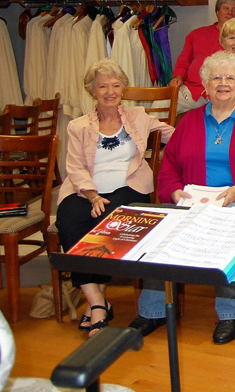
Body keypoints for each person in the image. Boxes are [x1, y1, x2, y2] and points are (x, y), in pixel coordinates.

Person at [128, 51, 235, 345]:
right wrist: (174, 191)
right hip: (193, 201)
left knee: (229, 225)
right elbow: (169, 164)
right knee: (162, 230)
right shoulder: (188, 121)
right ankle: (153, 310)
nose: (223, 83)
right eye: (216, 78)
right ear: (205, 86)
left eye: (230, 78)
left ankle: (231, 313)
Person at [56, 59, 175, 336]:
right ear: (92, 91)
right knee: (69, 221)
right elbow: (73, 167)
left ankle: (98, 304)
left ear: (123, 88)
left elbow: (174, 135)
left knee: (115, 221)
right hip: (84, 189)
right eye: (102, 86)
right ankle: (96, 300)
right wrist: (92, 193)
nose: (110, 91)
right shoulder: (78, 126)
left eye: (115, 85)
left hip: (129, 186)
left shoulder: (138, 116)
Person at [170, 0, 235, 113]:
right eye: (226, 8)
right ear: (217, 12)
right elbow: (184, 61)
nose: (230, 13)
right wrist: (178, 77)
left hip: (226, 92)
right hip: (193, 91)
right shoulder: (196, 34)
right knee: (161, 103)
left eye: (234, 9)